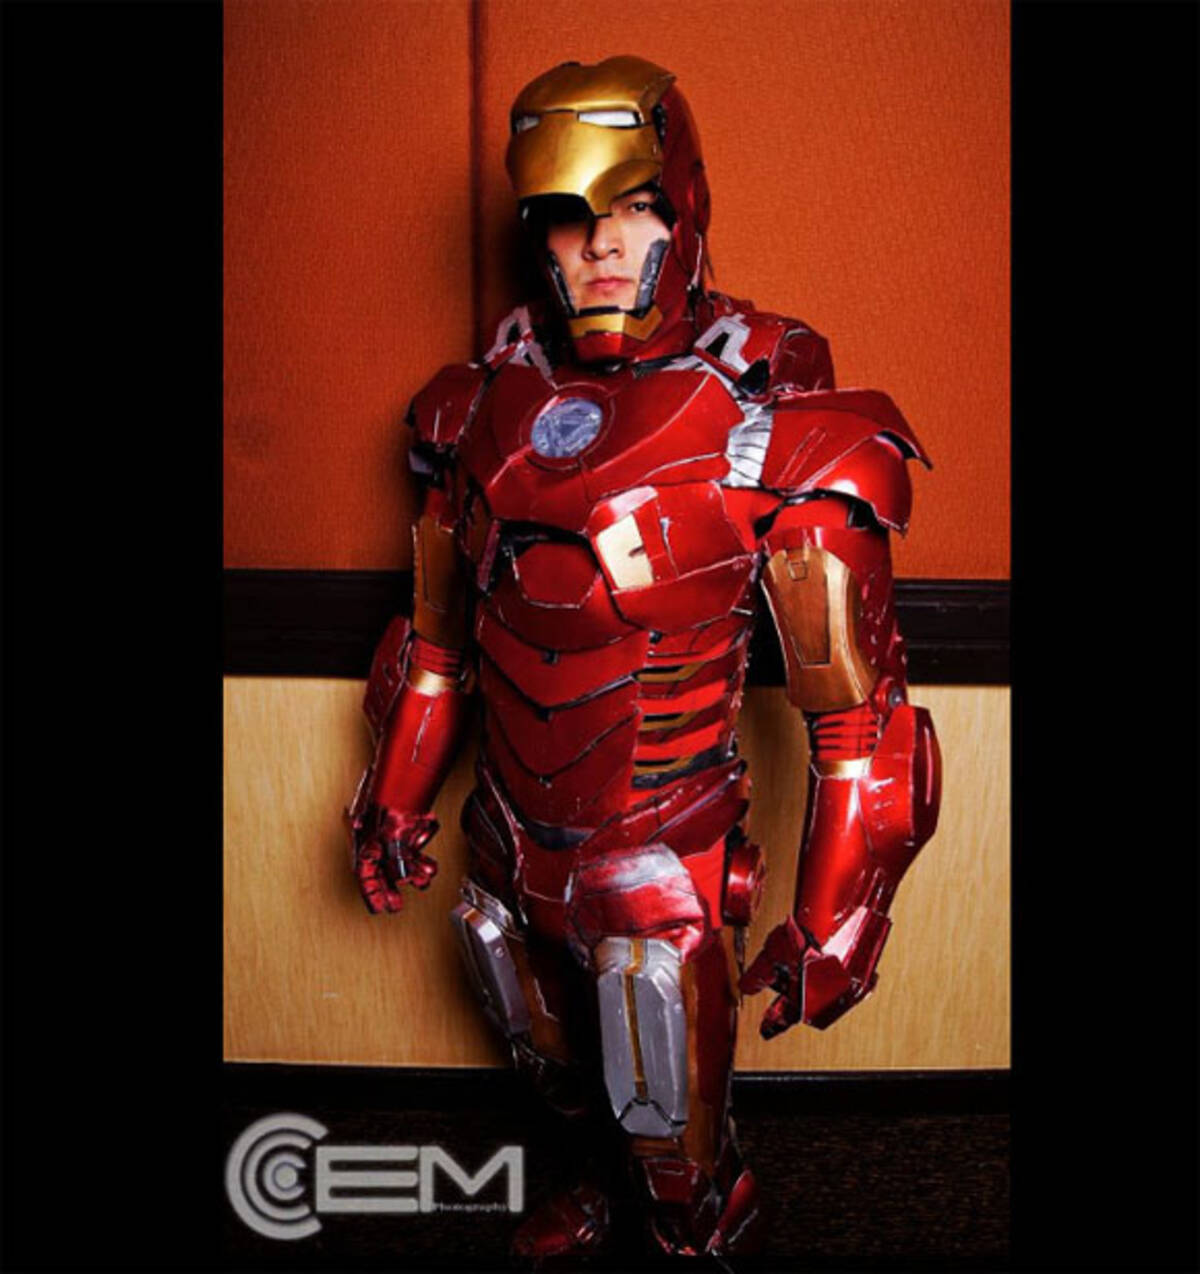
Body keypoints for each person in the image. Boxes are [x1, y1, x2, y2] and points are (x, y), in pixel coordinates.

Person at [346, 54, 941, 1264]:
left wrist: (838, 916)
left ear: (685, 208)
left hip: (662, 857)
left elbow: (859, 720)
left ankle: (694, 1224)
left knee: (672, 1126)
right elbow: (436, 648)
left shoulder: (763, 405)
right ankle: (599, 1191)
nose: (602, 246)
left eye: (631, 208)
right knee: (557, 1071)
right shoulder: (482, 406)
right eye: (569, 218)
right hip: (508, 839)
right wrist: (391, 800)